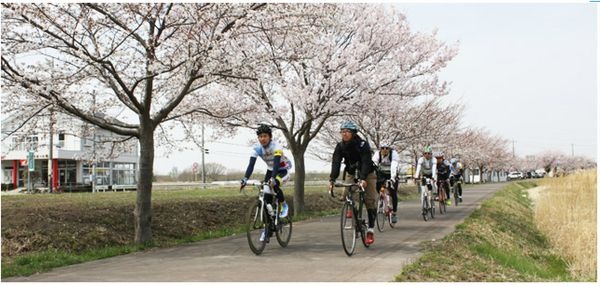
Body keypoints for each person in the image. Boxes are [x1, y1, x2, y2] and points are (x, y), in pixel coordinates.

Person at [328, 120, 378, 246]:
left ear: (354, 133)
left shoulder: (362, 144)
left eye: (347, 132)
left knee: (369, 200)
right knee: (346, 192)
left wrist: (363, 178)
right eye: (342, 132)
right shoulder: (340, 146)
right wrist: (332, 179)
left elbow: (366, 161)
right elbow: (336, 162)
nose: (344, 134)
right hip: (351, 172)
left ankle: (371, 229)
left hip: (367, 173)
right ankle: (350, 206)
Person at [240, 125, 293, 242]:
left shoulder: (276, 146)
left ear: (270, 137)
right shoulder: (257, 149)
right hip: (270, 170)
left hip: (282, 169)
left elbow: (276, 163)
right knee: (266, 198)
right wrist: (245, 178)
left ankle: (283, 204)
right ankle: (267, 229)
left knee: (274, 184)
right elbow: (251, 165)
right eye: (260, 136)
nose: (262, 139)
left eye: (265, 136)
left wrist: (273, 178)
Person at [372, 142, 400, 223]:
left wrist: (392, 178)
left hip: (392, 174)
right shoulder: (377, 154)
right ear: (380, 149)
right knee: (378, 187)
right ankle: (382, 199)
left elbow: (394, 166)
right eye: (382, 148)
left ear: (390, 149)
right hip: (382, 174)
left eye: (387, 148)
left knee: (393, 193)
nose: (384, 150)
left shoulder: (394, 154)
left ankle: (394, 213)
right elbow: (374, 164)